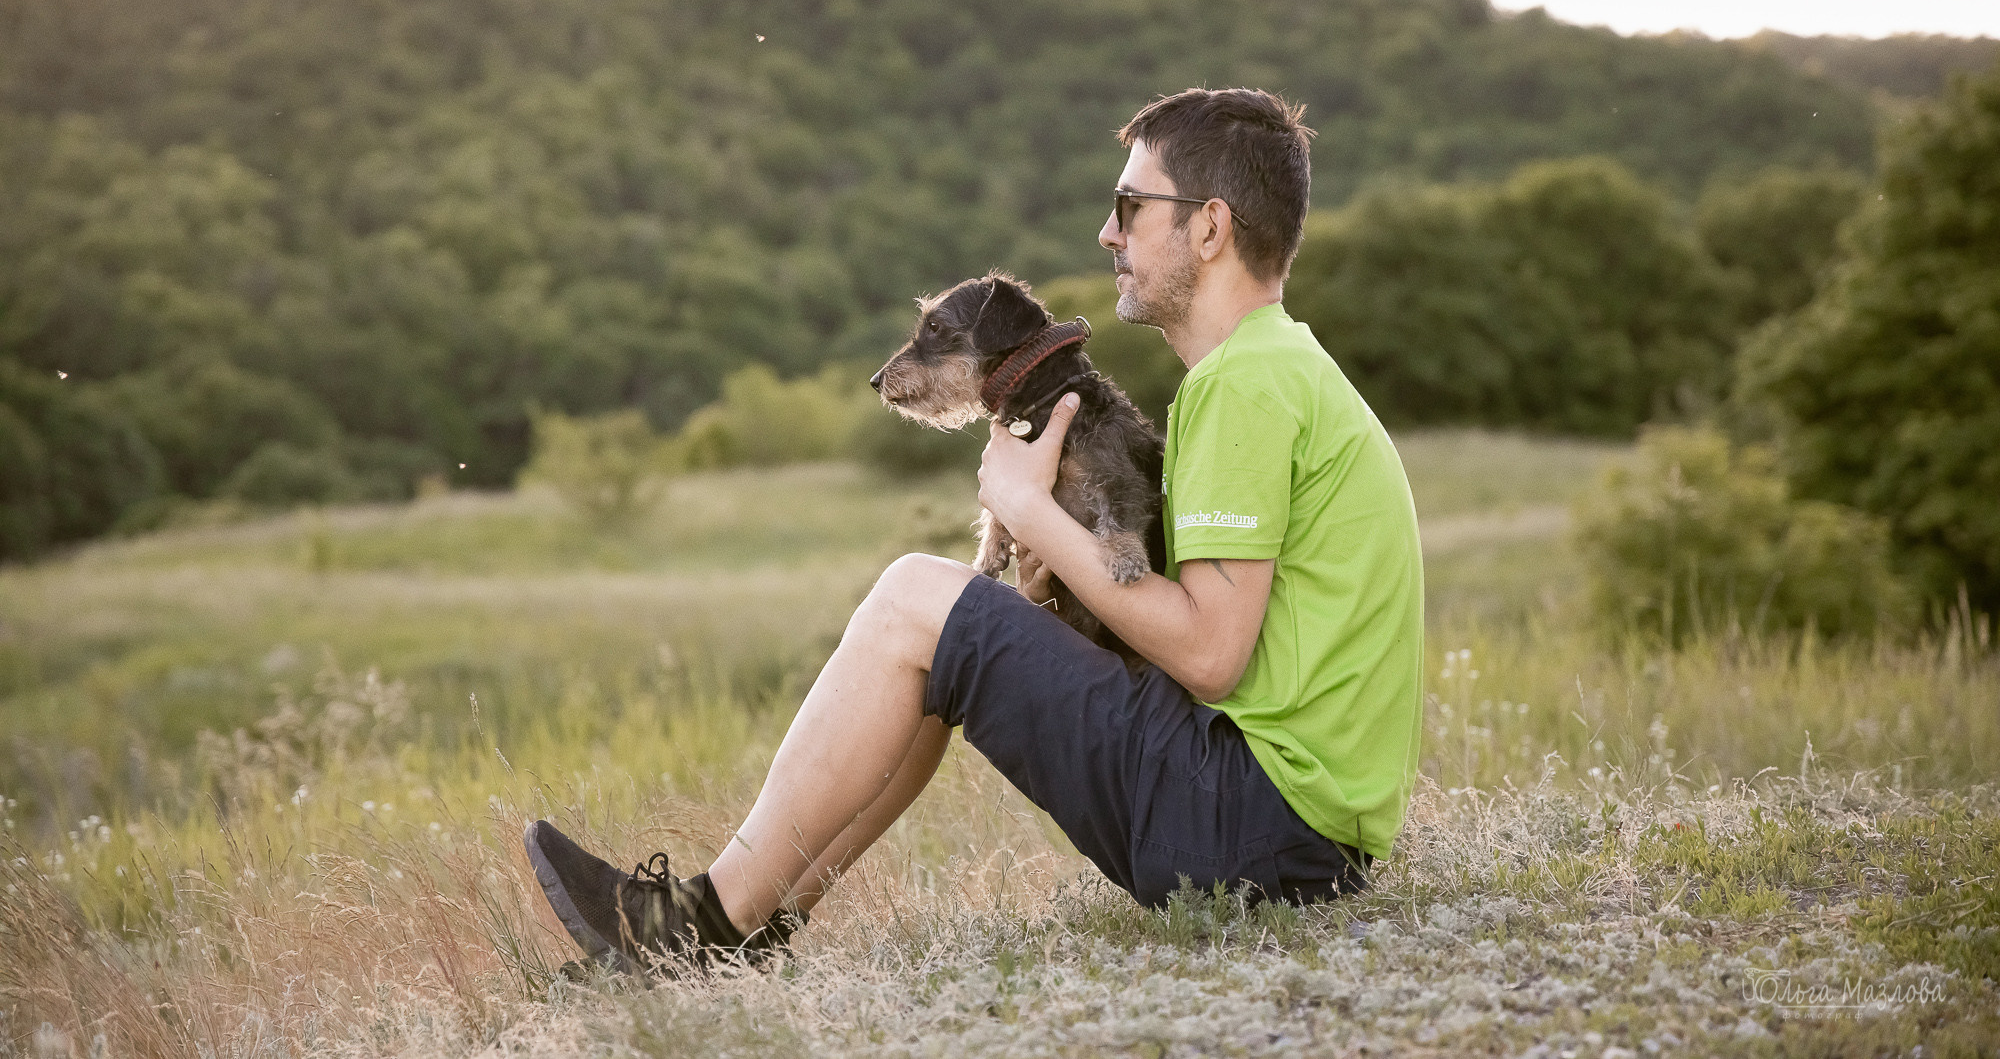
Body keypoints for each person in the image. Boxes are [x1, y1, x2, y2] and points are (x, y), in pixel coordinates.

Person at [524, 87, 1425, 968]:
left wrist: (1027, 505)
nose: (1108, 233)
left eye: (1129, 205)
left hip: (1253, 831)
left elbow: (1213, 653)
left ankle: (690, 924)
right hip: (1290, 835)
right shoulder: (1273, 370)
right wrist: (1041, 586)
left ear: (1209, 227)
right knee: (940, 631)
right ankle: (752, 925)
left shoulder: (1246, 387)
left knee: (916, 593)